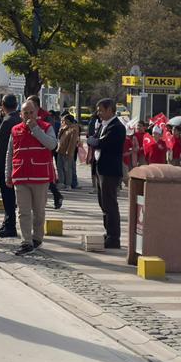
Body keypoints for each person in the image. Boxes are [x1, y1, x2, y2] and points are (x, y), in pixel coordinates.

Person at [5, 97, 57, 255]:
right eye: (25, 112)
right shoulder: (15, 130)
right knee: (23, 211)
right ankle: (26, 241)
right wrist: (8, 174)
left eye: (31, 112)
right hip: (20, 176)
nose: (28, 115)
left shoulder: (46, 127)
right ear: (21, 114)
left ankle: (37, 237)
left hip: (40, 176)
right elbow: (10, 153)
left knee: (39, 211)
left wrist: (36, 129)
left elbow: (52, 145)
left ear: (37, 113)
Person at [87, 99, 127, 250]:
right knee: (103, 203)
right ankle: (108, 232)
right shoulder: (103, 125)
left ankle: (114, 237)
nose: (99, 113)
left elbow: (100, 143)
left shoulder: (116, 127)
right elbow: (94, 139)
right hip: (100, 168)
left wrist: (93, 141)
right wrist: (93, 140)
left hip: (110, 171)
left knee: (110, 203)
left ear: (110, 109)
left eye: (101, 110)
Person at [0, 94, 21, 239]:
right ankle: (6, 223)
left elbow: (0, 146)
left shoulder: (7, 121)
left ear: (2, 105)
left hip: (5, 164)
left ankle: (10, 225)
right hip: (16, 162)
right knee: (10, 196)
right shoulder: (19, 119)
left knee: (7, 196)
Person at [57, 114, 81, 196]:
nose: (62, 122)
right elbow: (59, 137)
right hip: (60, 150)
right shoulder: (64, 128)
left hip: (67, 151)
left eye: (64, 120)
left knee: (68, 168)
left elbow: (73, 142)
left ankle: (68, 184)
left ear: (68, 120)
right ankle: (61, 182)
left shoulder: (74, 129)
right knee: (60, 167)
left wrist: (69, 152)